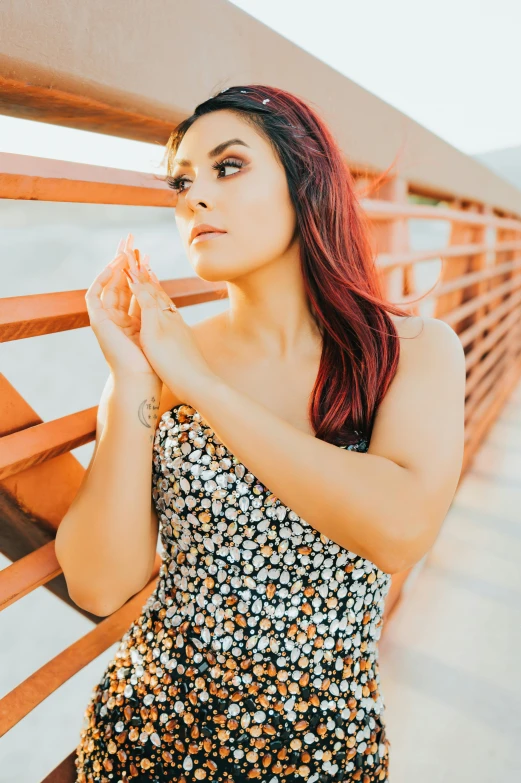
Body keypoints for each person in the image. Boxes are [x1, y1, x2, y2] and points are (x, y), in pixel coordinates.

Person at [56, 84, 466, 783]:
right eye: (183, 180)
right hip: (143, 743)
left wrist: (206, 388)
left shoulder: (414, 349)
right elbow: (99, 582)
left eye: (229, 165)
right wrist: (132, 381)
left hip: (319, 756)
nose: (195, 197)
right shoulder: (162, 362)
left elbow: (399, 529)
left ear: (306, 181)